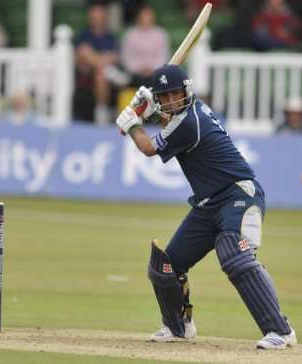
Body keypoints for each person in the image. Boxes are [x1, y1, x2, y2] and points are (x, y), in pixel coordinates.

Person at [115, 64, 298, 349]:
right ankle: (178, 327)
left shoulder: (190, 121)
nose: (173, 100)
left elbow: (149, 148)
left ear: (186, 91)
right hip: (208, 204)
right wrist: (148, 110)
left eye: (176, 93)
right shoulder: (184, 117)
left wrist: (134, 122)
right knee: (166, 266)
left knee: (235, 257)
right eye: (165, 96)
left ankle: (281, 330)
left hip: (238, 194)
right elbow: (169, 125)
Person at [73, 2, 119, 125]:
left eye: (99, 15)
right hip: (86, 73)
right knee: (97, 67)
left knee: (100, 72)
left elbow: (114, 57)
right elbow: (80, 56)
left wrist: (94, 58)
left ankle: (101, 110)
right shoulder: (83, 35)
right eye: (94, 16)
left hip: (103, 75)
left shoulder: (110, 37)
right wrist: (100, 60)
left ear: (104, 17)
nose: (97, 18)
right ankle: (102, 109)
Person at [120, 4, 170, 87]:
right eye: (144, 15)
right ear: (138, 17)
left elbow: (163, 56)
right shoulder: (130, 35)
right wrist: (140, 69)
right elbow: (126, 57)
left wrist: (152, 69)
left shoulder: (161, 34)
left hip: (156, 73)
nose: (147, 18)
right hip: (135, 74)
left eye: (149, 14)